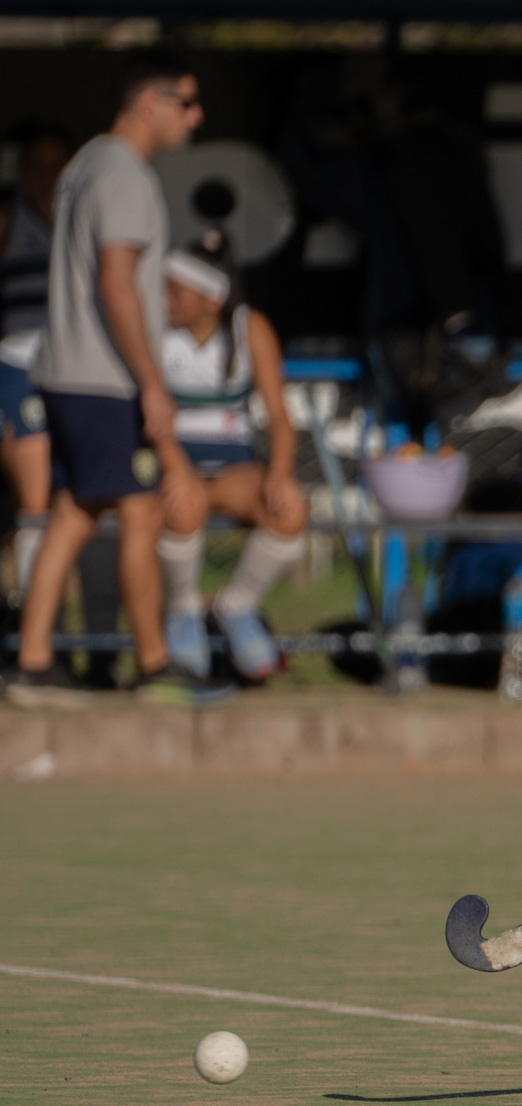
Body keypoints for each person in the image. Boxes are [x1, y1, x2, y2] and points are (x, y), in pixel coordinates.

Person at [6, 53, 227, 708]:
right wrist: (151, 380)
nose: (196, 115)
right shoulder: (123, 173)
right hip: (102, 379)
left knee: (73, 514)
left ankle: (34, 661)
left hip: (68, 372)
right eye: (186, 102)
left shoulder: (88, 165)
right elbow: (116, 282)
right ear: (149, 103)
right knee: (141, 509)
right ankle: (155, 662)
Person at [156, 232, 306, 681]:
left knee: (290, 510)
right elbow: (147, 414)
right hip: (172, 457)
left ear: (210, 298)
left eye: (176, 292)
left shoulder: (249, 327)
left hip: (232, 461)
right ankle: (183, 613)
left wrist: (279, 473)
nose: (165, 301)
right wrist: (178, 470)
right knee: (183, 508)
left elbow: (279, 418)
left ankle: (237, 607)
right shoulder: (153, 330)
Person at [0, 125, 72, 610]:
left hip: (74, 371)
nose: (46, 177)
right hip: (16, 365)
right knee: (36, 498)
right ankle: (35, 633)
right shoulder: (9, 219)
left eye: (55, 165)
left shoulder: (85, 219)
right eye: (36, 166)